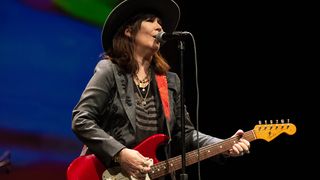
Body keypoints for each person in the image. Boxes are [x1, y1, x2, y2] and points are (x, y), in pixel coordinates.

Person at [71, 0, 251, 179]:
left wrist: (224, 144)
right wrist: (121, 153)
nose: (159, 27)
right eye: (151, 20)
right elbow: (81, 119)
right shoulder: (109, 70)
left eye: (160, 23)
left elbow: (185, 133)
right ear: (128, 31)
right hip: (110, 172)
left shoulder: (170, 81)